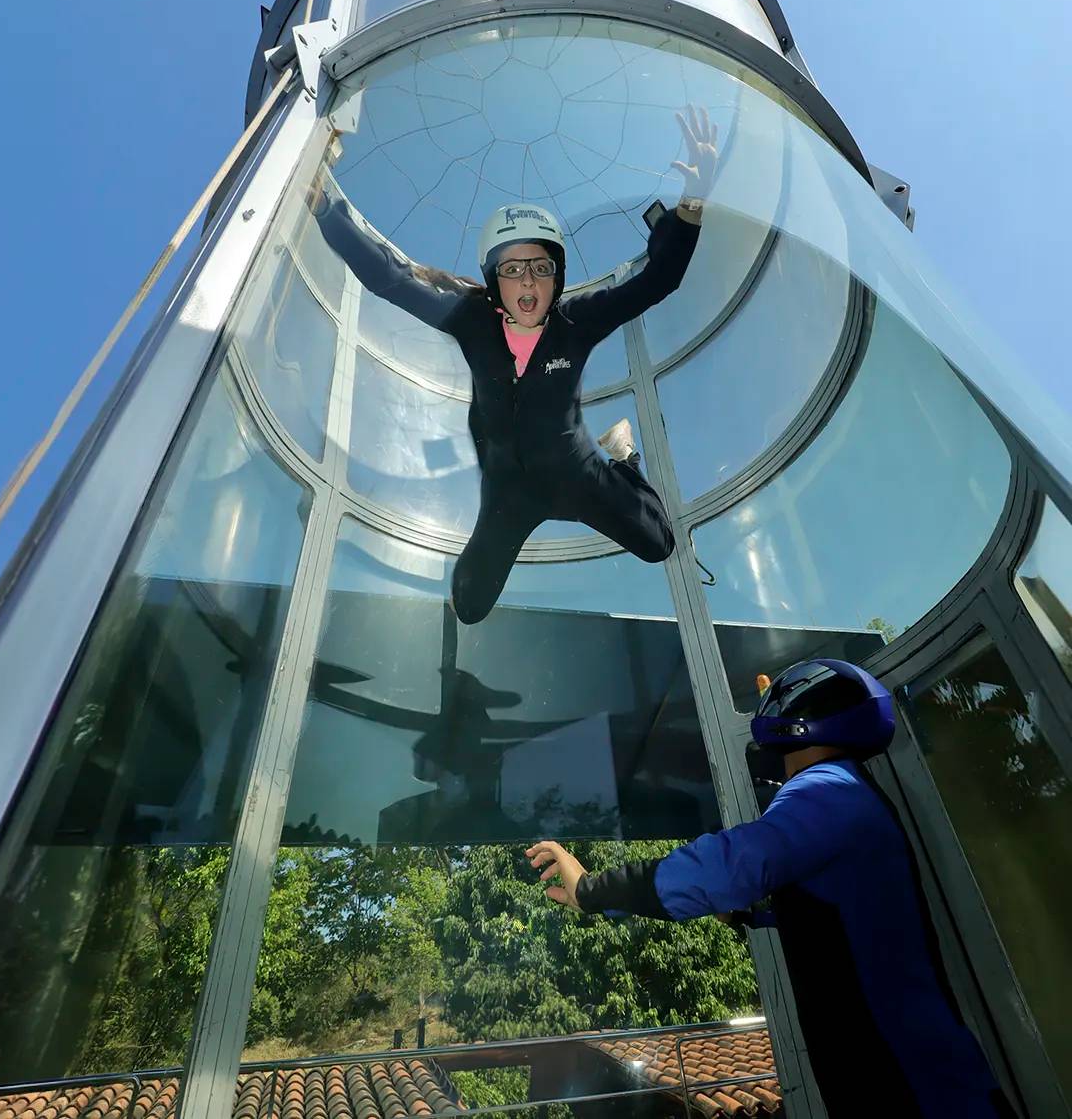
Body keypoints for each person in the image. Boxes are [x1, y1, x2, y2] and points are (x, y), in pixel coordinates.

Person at [527, 658, 1014, 1119]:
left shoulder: (828, 790)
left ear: (793, 718)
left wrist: (592, 889)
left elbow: (731, 864)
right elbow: (835, 914)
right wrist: (744, 914)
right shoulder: (850, 792)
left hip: (914, 1086)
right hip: (916, 1076)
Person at [314, 105, 717, 623]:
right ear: (494, 280)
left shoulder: (576, 320)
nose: (528, 284)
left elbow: (657, 281)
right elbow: (389, 278)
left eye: (541, 270)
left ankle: (626, 460)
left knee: (659, 543)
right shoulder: (471, 318)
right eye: (514, 271)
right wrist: (323, 206)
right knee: (470, 605)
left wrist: (694, 201)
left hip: (579, 473)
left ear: (557, 278)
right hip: (508, 489)